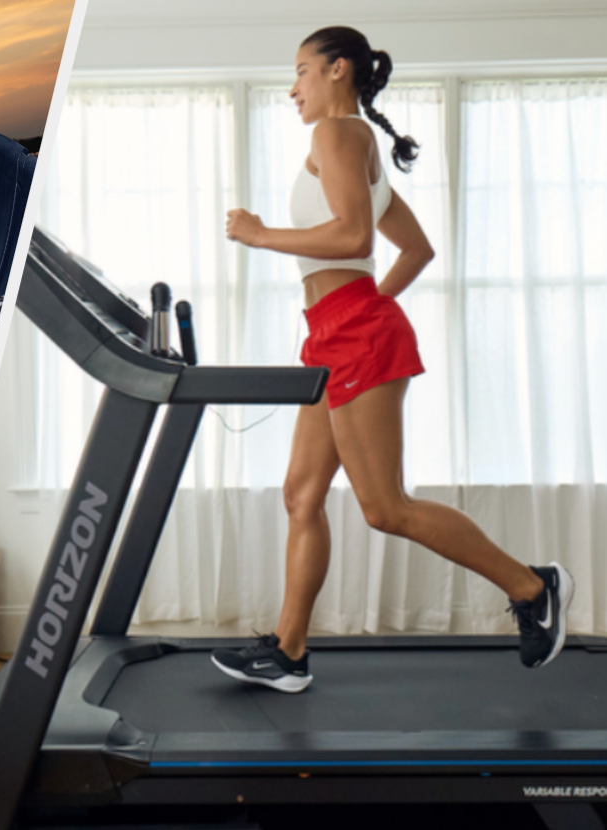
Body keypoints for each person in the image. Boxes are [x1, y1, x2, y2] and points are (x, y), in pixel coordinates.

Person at [211, 26, 572, 693]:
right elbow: (415, 248)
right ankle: (289, 654)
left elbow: (351, 234)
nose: (293, 88)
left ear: (338, 70)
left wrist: (261, 235)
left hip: (354, 336)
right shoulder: (352, 147)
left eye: (302, 72)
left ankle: (532, 586)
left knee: (384, 507)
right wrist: (355, 307)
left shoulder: (339, 135)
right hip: (335, 331)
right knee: (301, 495)